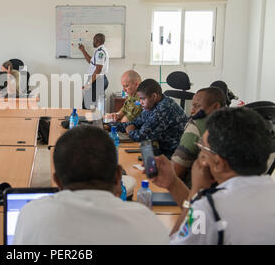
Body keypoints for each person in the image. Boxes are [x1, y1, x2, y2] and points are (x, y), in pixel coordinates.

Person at [13, 125, 169, 245]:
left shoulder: (32, 214)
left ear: (57, 181)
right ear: (117, 176)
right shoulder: (145, 221)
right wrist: (175, 185)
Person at [151, 107, 275, 244]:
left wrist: (195, 193)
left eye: (203, 148)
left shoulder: (209, 208)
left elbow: (176, 240)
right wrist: (173, 183)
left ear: (218, 163)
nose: (201, 156)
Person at [117, 79, 188, 157]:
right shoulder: (151, 105)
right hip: (161, 150)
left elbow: (142, 137)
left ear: (154, 96)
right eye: (139, 99)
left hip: (173, 155)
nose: (140, 102)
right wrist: (111, 126)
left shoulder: (163, 108)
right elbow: (135, 122)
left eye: (143, 99)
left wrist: (130, 131)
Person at [172, 87, 226, 182]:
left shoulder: (197, 124)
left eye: (197, 106)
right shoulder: (233, 123)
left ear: (216, 106)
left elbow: (175, 171)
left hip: (197, 188)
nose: (192, 111)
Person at [78, 33, 109, 110]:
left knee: (87, 105)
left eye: (93, 40)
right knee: (91, 105)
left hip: (97, 80)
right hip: (98, 79)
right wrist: (83, 51)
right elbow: (91, 62)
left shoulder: (100, 52)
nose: (93, 42)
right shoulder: (98, 51)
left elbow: (98, 70)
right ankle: (91, 121)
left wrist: (89, 83)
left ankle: (88, 121)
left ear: (96, 41)